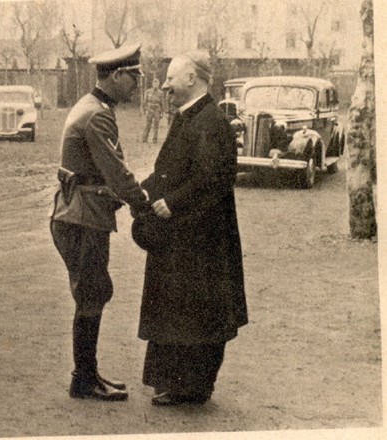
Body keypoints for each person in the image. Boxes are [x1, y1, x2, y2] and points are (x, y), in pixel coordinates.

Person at [137, 50, 248, 406]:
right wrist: (140, 190)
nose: (165, 84)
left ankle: (194, 388)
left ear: (192, 79)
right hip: (182, 235)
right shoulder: (188, 117)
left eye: (171, 77)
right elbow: (169, 170)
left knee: (199, 314)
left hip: (204, 239)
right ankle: (176, 384)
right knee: (176, 310)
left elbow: (213, 179)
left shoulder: (212, 122)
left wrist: (172, 203)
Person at [49, 43, 151, 401]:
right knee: (92, 293)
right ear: (118, 75)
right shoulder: (98, 114)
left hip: (80, 214)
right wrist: (142, 204)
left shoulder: (92, 106)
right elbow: (116, 171)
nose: (137, 85)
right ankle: (84, 379)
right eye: (134, 77)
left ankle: (88, 374)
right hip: (82, 219)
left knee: (93, 291)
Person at [141, 77, 165, 143]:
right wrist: (145, 110)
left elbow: (162, 103)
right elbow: (144, 102)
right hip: (149, 109)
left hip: (157, 110)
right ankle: (144, 139)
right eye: (154, 83)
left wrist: (162, 112)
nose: (155, 85)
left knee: (156, 125)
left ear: (159, 85)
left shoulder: (161, 93)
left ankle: (155, 140)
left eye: (157, 84)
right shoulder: (148, 91)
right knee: (148, 125)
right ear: (152, 84)